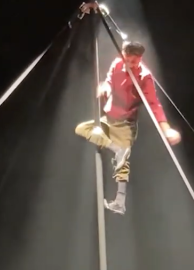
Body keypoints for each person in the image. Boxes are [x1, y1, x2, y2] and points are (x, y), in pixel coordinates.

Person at [74, 38, 181, 216]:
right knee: (81, 129)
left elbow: (154, 105)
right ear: (122, 55)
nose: (130, 64)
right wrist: (105, 87)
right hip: (109, 118)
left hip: (125, 124)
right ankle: (116, 148)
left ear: (140, 58)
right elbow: (109, 80)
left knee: (122, 164)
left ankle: (119, 202)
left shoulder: (144, 77)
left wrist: (166, 129)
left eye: (134, 61)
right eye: (127, 59)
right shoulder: (117, 64)